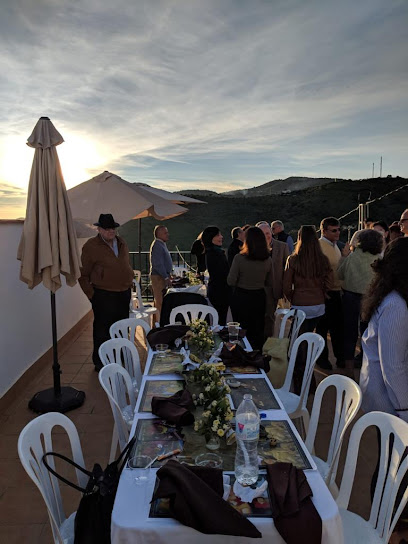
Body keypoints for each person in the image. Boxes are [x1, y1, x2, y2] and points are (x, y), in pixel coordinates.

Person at [360, 237, 408, 421]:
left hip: (386, 395)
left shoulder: (390, 294)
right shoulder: (396, 305)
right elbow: (393, 365)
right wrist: (404, 409)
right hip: (390, 402)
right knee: (391, 449)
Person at [79, 213, 134, 371]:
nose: (111, 231)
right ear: (99, 229)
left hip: (123, 293)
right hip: (103, 294)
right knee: (103, 330)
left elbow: (124, 264)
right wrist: (92, 296)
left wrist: (128, 278)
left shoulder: (121, 242)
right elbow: (83, 275)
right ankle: (101, 361)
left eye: (113, 228)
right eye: (107, 228)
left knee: (122, 327)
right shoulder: (91, 246)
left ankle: (120, 357)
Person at [283, 225, 332, 392]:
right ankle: (309, 382)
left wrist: (293, 298)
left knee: (297, 346)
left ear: (299, 238)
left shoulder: (294, 259)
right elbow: (329, 282)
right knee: (311, 342)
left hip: (300, 306)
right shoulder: (323, 260)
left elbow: (286, 286)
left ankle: (302, 384)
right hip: (318, 306)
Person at [337, 229, 384, 372]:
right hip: (371, 298)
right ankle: (366, 366)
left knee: (349, 333)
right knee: (368, 332)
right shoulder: (380, 258)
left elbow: (340, 274)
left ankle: (349, 368)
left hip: (350, 297)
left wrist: (344, 257)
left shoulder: (352, 256)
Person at [227, 226, 274, 349]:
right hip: (259, 297)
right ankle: (256, 355)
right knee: (257, 329)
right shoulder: (268, 260)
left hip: (241, 297)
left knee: (241, 330)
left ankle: (240, 354)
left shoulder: (239, 258)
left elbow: (230, 280)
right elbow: (270, 282)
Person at [316, 217, 350, 370]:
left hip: (337, 293)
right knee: (322, 328)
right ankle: (323, 360)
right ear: (324, 231)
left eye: (338, 230)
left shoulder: (336, 246)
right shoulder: (319, 246)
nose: (337, 233)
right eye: (334, 230)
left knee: (338, 329)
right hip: (325, 293)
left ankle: (340, 358)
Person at [257, 222, 289, 336]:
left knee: (270, 317)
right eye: (263, 234)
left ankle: (267, 342)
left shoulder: (282, 246)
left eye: (268, 233)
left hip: (273, 288)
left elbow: (287, 270)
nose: (266, 236)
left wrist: (286, 289)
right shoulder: (253, 247)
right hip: (257, 289)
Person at [201, 226, 231, 325]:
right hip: (220, 291)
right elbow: (222, 273)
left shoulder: (213, 252)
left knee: (220, 319)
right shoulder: (215, 253)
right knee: (220, 321)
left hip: (216, 290)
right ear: (211, 237)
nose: (221, 237)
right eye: (218, 235)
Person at [150, 225, 173, 315]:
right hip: (158, 277)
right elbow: (158, 264)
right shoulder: (157, 245)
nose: (167, 234)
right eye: (165, 233)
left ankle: (158, 322)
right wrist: (165, 277)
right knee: (160, 302)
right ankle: (159, 324)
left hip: (162, 276)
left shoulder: (161, 244)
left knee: (161, 301)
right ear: (158, 234)